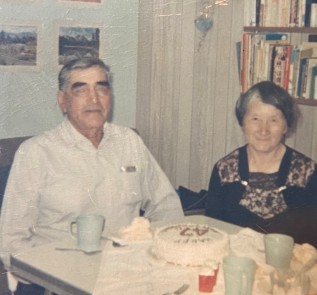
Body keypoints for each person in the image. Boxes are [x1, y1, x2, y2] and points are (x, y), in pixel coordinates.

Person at [0, 57, 184, 294]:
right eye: (81, 90)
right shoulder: (36, 153)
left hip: (127, 274)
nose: (94, 99)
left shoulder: (129, 142)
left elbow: (166, 206)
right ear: (63, 101)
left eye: (101, 88)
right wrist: (49, 276)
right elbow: (10, 241)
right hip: (58, 281)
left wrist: (159, 255)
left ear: (110, 97)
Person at [205, 81, 317, 253]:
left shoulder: (308, 174)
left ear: (285, 126)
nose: (263, 130)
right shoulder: (224, 171)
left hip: (293, 275)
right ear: (242, 123)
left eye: (273, 120)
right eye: (255, 119)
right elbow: (212, 240)